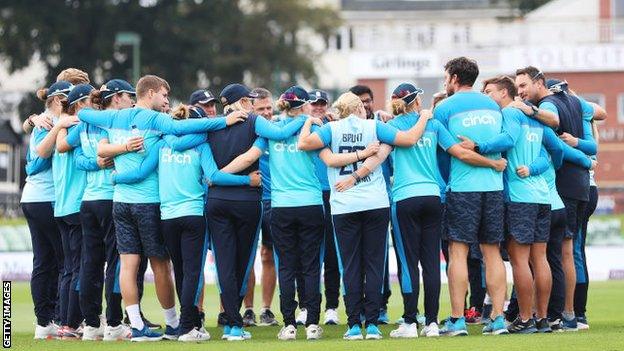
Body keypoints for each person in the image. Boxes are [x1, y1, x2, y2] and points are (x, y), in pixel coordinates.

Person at [77, 74, 247, 341]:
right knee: (161, 266)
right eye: (164, 95)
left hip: (120, 202)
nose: (166, 101)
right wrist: (225, 120)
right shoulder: (153, 119)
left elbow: (85, 116)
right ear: (151, 93)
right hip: (148, 202)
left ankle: (136, 326)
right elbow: (182, 129)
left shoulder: (112, 117)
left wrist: (114, 150)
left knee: (127, 266)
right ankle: (173, 323)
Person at [112, 104, 262, 342]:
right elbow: (213, 177)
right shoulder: (201, 145)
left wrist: (116, 177)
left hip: (167, 217)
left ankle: (184, 325)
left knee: (181, 271)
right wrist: (247, 180)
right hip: (193, 214)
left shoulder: (162, 144)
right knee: (193, 272)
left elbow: (141, 172)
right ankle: (186, 327)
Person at [297, 91, 432, 340]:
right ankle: (371, 324)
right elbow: (411, 139)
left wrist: (308, 121)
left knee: (350, 266)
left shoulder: (332, 129)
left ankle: (352, 326)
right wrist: (424, 117)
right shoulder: (375, 126)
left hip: (344, 204)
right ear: (360, 106)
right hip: (375, 202)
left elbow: (303, 143)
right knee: (373, 264)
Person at [386, 83, 507, 339]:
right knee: (432, 262)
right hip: (434, 196)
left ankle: (412, 322)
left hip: (407, 198)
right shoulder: (433, 124)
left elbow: (381, 155)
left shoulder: (391, 126)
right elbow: (461, 153)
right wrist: (493, 162)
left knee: (412, 263)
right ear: (417, 101)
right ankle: (432, 322)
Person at [205, 83, 315, 341]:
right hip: (245, 200)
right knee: (242, 263)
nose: (252, 104)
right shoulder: (254, 121)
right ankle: (234, 325)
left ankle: (230, 321)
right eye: (249, 100)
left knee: (224, 263)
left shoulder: (212, 125)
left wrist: (216, 177)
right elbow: (279, 133)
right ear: (242, 102)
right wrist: (305, 118)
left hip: (217, 200)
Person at [514, 67, 597, 331]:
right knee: (569, 253)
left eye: (525, 85)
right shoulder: (574, 100)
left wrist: (533, 111)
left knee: (559, 254)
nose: (522, 93)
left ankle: (560, 314)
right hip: (581, 185)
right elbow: (593, 142)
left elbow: (556, 144)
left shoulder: (547, 104)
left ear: (541, 83)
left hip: (562, 187)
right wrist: (586, 158)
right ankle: (571, 314)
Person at [433, 57, 509, 336]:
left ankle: (457, 320)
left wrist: (446, 181)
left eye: (445, 77)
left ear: (454, 78)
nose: (444, 82)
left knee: (458, 252)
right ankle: (498, 318)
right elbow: (503, 142)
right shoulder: (493, 105)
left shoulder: (444, 108)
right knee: (492, 253)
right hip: (494, 187)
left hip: (463, 188)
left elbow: (440, 153)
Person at [58, 79, 137, 341]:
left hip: (88, 201)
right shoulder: (115, 121)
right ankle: (113, 323)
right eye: (129, 96)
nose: (132, 101)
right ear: (116, 98)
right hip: (110, 198)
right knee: (117, 262)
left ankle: (92, 324)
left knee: (90, 263)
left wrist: (95, 161)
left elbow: (76, 157)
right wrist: (104, 161)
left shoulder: (85, 124)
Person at [21, 80, 74, 339]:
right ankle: (62, 320)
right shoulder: (49, 122)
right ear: (56, 100)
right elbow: (39, 157)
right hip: (46, 199)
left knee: (44, 261)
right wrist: (60, 127)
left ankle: (45, 323)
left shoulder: (41, 120)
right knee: (63, 260)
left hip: (33, 198)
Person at [240, 87, 279, 327]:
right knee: (247, 256)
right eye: (261, 109)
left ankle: (266, 309)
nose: (266, 113)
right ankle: (248, 310)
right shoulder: (245, 131)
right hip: (251, 197)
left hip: (275, 200)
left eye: (269, 108)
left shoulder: (279, 130)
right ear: (251, 110)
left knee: (269, 254)